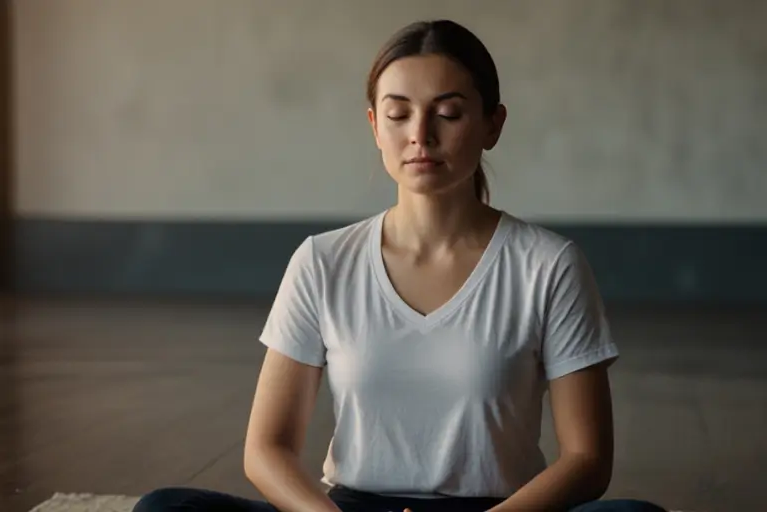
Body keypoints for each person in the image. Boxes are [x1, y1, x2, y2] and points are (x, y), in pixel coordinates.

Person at [134, 19, 668, 512]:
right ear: (374, 124)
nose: (421, 134)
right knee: (166, 509)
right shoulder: (322, 261)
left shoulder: (549, 266)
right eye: (398, 113)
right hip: (351, 508)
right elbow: (266, 449)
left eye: (449, 113)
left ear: (492, 125)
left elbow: (587, 460)